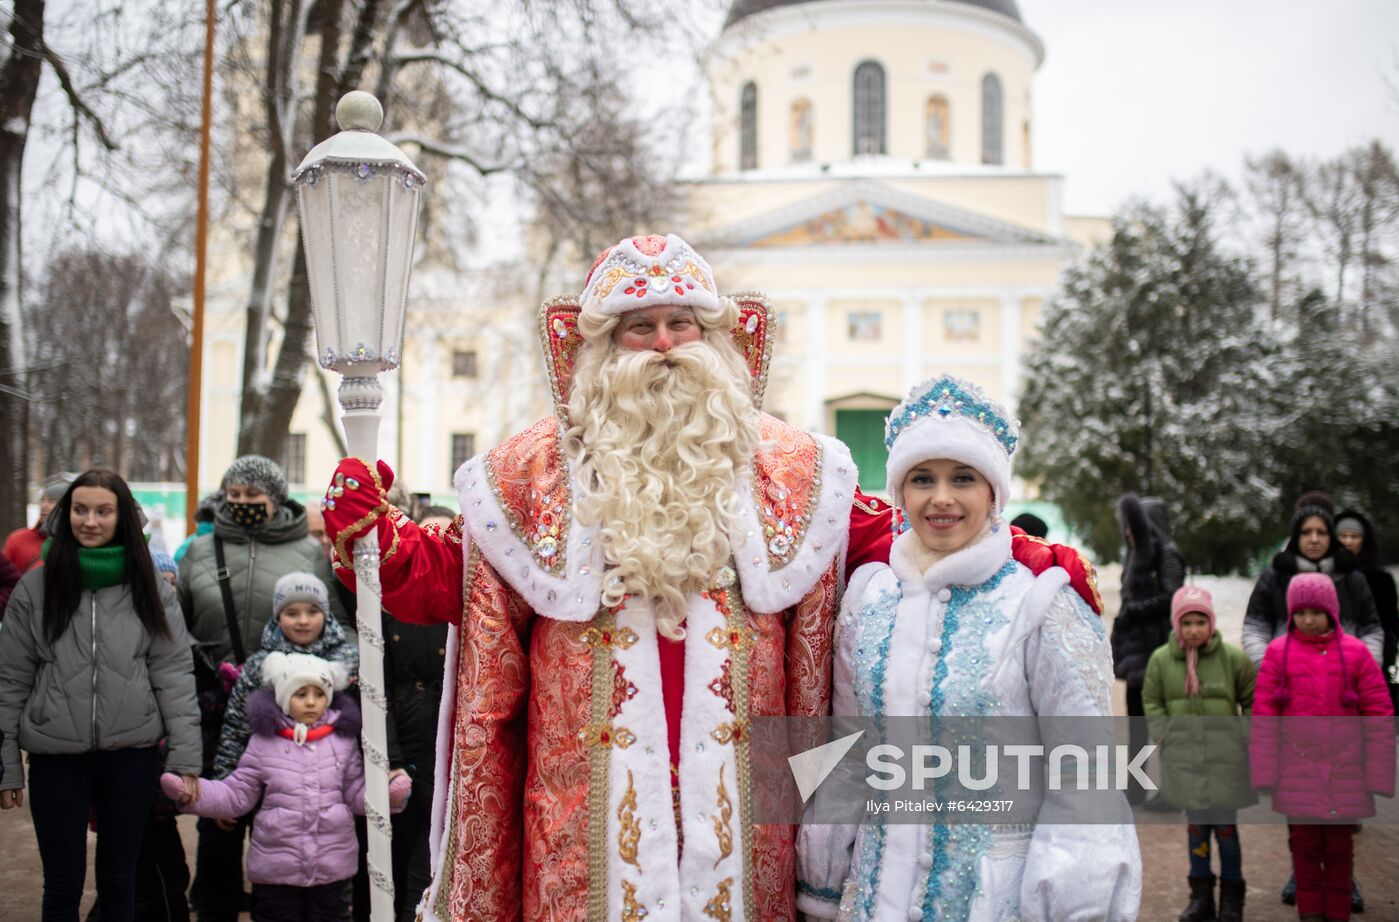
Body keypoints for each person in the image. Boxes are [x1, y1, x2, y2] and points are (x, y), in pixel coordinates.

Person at [319, 234, 1103, 919]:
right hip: (580, 836)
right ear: (599, 347)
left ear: (716, 337)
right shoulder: (531, 474)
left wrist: (1031, 557)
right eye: (639, 327)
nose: (663, 344)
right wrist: (374, 539)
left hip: (743, 838)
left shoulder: (793, 471)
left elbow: (905, 541)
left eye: (680, 323)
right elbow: (455, 578)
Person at [795, 375, 1141, 919]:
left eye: (963, 477)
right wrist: (822, 883)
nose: (941, 498)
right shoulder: (868, 596)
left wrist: (1076, 906)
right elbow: (848, 751)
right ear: (900, 492)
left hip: (993, 898)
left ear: (993, 491)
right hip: (873, 898)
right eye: (922, 478)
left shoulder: (1042, 601)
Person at [0, 469, 201, 921]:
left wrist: (186, 760)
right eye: (80, 509)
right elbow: (10, 680)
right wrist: (6, 764)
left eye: (103, 511)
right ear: (64, 514)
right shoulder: (37, 586)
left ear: (122, 518)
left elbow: (173, 673)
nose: (90, 521)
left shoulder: (149, 585)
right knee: (62, 885)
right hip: (55, 756)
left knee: (119, 883)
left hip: (131, 755)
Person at [179, 455, 351, 922]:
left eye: (252, 498)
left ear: (274, 500)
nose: (241, 505)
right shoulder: (200, 548)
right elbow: (174, 622)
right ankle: (214, 906)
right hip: (220, 704)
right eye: (232, 497)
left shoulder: (308, 552)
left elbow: (335, 623)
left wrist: (340, 670)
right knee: (219, 826)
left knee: (285, 822)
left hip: (294, 708)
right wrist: (201, 655)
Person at [162, 652, 411, 922]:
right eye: (301, 694)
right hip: (276, 869)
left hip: (332, 867)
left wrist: (387, 797)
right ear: (283, 698)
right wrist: (194, 794)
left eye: (319, 693)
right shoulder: (263, 742)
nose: (311, 702)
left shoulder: (342, 741)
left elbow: (355, 794)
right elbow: (237, 793)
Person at [1251, 574, 1394, 922]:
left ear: (1332, 610)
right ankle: (1311, 915)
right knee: (1304, 853)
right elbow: (1265, 719)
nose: (1309, 619)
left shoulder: (1357, 655)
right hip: (1296, 777)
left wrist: (1378, 776)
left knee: (1340, 855)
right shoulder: (1278, 654)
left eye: (1317, 611)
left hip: (1346, 778)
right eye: (1301, 612)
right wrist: (1265, 775)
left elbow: (1379, 718)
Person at [1142, 586, 1256, 922]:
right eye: (1187, 622)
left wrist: (1244, 735)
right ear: (1177, 624)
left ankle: (1232, 900)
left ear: (1211, 622)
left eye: (1200, 621)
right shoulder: (1161, 660)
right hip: (1185, 763)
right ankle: (1201, 897)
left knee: (1227, 833)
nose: (1194, 629)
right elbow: (1152, 699)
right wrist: (1164, 731)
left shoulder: (1232, 659)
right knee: (1196, 833)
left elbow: (1252, 698)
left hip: (1226, 764)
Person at [211, 572, 359, 781]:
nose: (303, 621)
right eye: (292, 613)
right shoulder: (261, 665)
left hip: (335, 779)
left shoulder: (347, 660)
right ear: (278, 618)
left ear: (326, 615)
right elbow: (236, 725)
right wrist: (224, 779)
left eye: (312, 611)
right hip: (277, 782)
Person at [384, 505, 454, 922]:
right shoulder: (390, 603)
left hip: (445, 750)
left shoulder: (468, 604)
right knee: (396, 856)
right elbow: (382, 691)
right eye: (428, 535)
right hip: (406, 751)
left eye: (446, 536)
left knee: (429, 863)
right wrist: (390, 759)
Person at [1242, 501, 1382, 669]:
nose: (1314, 539)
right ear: (1296, 537)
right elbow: (1255, 626)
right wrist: (1268, 666)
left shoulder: (1352, 578)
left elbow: (1371, 629)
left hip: (1344, 676)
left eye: (1321, 532)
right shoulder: (1274, 576)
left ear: (1331, 537)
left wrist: (1364, 669)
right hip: (1285, 675)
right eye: (1306, 532)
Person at [1112, 492, 1186, 808]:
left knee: (1162, 724)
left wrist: (1134, 610)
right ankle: (1136, 786)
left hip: (1159, 651)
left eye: (1135, 525)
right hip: (1136, 654)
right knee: (1138, 723)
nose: (1129, 531)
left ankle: (1171, 790)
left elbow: (1174, 597)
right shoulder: (1136, 555)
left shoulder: (1168, 554)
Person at [1335, 510, 1399, 711]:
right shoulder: (1325, 576)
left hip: (1372, 656)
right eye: (1343, 536)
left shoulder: (1381, 579)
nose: (1348, 541)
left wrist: (1388, 652)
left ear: (1364, 540)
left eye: (1354, 536)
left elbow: (1390, 621)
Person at [3, 472, 75, 573]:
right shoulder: (17, 540)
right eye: (42, 500)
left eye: (51, 501)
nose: (43, 505)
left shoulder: (76, 544)